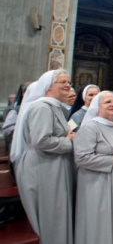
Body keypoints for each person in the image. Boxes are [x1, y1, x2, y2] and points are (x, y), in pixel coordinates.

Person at [11, 69, 76, 244]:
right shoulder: (42, 107)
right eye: (62, 82)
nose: (68, 85)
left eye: (68, 81)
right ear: (48, 87)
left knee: (56, 213)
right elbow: (42, 141)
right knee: (50, 215)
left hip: (50, 165)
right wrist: (70, 142)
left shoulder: (52, 106)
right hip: (42, 167)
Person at [74, 91, 113, 244]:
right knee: (100, 221)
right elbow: (81, 158)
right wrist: (112, 160)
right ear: (97, 106)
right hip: (98, 183)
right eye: (107, 102)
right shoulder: (90, 127)